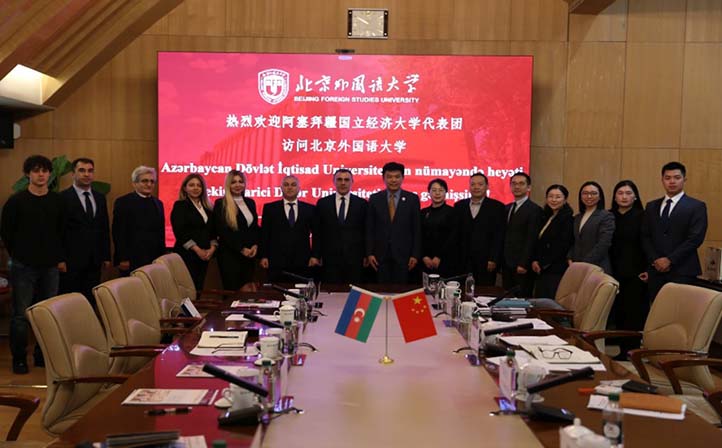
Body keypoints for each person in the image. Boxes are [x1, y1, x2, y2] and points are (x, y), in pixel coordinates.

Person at [1, 155, 64, 374]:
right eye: (36, 170)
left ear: (50, 174)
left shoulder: (57, 201)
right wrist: (19, 255)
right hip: (23, 266)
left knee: (47, 314)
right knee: (20, 315)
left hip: (50, 267)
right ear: (28, 174)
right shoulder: (16, 201)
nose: (41, 174)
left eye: (45, 171)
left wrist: (58, 258)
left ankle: (41, 355)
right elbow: (7, 233)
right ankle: (19, 359)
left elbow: (62, 232)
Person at [641, 161, 708, 300]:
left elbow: (695, 239)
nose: (672, 181)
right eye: (667, 178)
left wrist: (670, 260)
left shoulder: (696, 206)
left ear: (684, 179)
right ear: (662, 180)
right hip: (655, 271)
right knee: (656, 309)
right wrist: (655, 260)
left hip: (683, 270)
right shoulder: (651, 206)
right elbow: (645, 236)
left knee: (681, 310)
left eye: (677, 177)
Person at [58, 158, 111, 305]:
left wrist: (106, 256)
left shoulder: (100, 197)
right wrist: (60, 259)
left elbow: (104, 228)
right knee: (70, 301)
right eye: (82, 170)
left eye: (90, 171)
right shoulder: (62, 198)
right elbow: (58, 231)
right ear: (73, 174)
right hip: (71, 261)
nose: (86, 174)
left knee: (91, 300)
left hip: (94, 260)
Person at [609, 180, 648, 355]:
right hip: (612, 271)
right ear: (614, 197)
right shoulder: (608, 216)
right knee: (617, 312)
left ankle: (631, 351)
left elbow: (648, 244)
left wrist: (648, 268)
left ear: (635, 196)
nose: (624, 197)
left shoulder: (643, 216)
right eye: (620, 193)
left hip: (635, 272)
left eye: (628, 193)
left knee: (633, 313)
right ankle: (620, 349)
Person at [366, 162, 421, 284]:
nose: (393, 180)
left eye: (397, 176)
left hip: (404, 255)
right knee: (381, 290)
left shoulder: (412, 199)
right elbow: (370, 228)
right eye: (389, 177)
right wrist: (369, 253)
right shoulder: (375, 198)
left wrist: (415, 254)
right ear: (383, 178)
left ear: (403, 178)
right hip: (380, 255)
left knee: (401, 290)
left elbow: (416, 229)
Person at [310, 169, 367, 284]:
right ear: (334, 182)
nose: (343, 183)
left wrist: (367, 254)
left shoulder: (362, 204)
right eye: (339, 179)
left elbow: (366, 231)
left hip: (355, 259)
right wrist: (316, 255)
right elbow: (318, 232)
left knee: (353, 291)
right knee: (331, 290)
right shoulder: (323, 203)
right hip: (330, 259)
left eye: (346, 180)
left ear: (352, 182)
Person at [454, 172, 505, 286]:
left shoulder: (497, 207)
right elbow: (456, 234)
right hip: (462, 261)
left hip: (486, 261)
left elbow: (499, 235)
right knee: (463, 290)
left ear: (487, 186)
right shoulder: (459, 206)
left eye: (480, 184)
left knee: (484, 291)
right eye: (473, 184)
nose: (476, 187)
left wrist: (494, 259)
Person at [260, 175, 314, 282]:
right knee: (276, 291)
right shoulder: (270, 208)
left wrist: (315, 256)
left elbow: (316, 234)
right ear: (281, 188)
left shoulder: (310, 209)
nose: (289, 187)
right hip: (276, 261)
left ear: (299, 188)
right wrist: (263, 256)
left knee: (300, 290)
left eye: (293, 185)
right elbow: (264, 234)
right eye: (286, 185)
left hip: (302, 261)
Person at [112, 166, 165, 275]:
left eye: (152, 181)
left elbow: (160, 232)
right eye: (144, 181)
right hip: (131, 259)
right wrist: (122, 258)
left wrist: (161, 257)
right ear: (134, 183)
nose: (149, 184)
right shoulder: (123, 202)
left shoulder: (158, 203)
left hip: (154, 259)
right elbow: (118, 232)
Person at [213, 170, 259, 290]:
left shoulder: (250, 202)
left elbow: (254, 227)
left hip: (249, 256)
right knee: (232, 293)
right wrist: (241, 249)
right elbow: (223, 231)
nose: (238, 185)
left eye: (240, 181)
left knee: (247, 294)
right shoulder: (221, 203)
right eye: (233, 182)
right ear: (228, 185)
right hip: (230, 256)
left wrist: (255, 245)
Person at [171, 174, 217, 292]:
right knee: (187, 289)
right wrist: (197, 250)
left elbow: (213, 231)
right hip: (187, 254)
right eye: (191, 185)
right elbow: (180, 232)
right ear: (185, 188)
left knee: (198, 287)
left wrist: (212, 248)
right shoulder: (180, 205)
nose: (195, 188)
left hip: (205, 255)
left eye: (199, 185)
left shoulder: (208, 207)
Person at [502, 172, 542, 296]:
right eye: (514, 183)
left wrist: (524, 263)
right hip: (506, 264)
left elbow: (532, 239)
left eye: (521, 183)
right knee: (506, 298)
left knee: (522, 300)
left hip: (522, 265)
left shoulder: (535, 210)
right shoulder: (507, 208)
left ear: (528, 187)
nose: (517, 186)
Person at [531, 184, 574, 299]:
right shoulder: (546, 216)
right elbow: (539, 242)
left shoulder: (568, 219)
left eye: (558, 197)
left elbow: (562, 246)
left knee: (549, 301)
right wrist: (535, 260)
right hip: (542, 268)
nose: (554, 200)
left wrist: (542, 263)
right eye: (550, 196)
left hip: (555, 269)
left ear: (565, 200)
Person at [569, 181, 615, 273]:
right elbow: (575, 241)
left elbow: (603, 244)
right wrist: (570, 258)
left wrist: (585, 263)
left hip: (597, 267)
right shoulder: (577, 217)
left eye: (593, 193)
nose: (589, 196)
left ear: (600, 196)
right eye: (585, 193)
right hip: (576, 266)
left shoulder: (606, 216)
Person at [420, 178, 456, 277]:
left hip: (446, 260)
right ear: (429, 192)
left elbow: (452, 237)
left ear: (446, 192)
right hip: (425, 261)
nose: (437, 193)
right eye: (434, 190)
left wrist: (439, 257)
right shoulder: (423, 212)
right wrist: (424, 256)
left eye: (441, 190)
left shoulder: (452, 212)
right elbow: (419, 236)